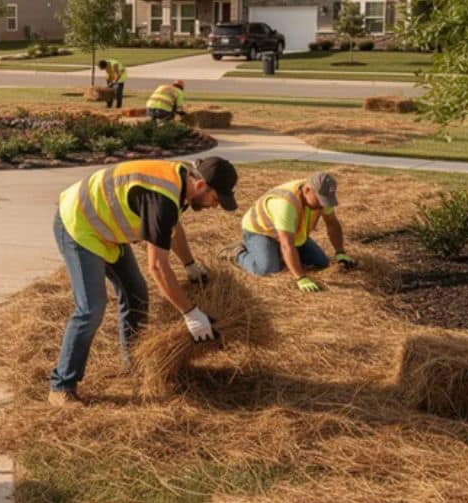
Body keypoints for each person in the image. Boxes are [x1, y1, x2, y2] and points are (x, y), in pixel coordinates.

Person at [50, 156, 240, 407]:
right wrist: (190, 313)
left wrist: (189, 264)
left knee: (136, 294)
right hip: (79, 223)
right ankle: (62, 386)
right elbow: (158, 267)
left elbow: (173, 228)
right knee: (91, 308)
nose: (215, 206)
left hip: (106, 229)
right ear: (202, 185)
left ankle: (135, 365)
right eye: (216, 200)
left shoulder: (182, 181)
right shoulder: (162, 198)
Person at [225, 172, 357, 292]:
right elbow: (286, 244)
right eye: (320, 200)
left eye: (325, 201)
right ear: (307, 190)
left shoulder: (321, 197)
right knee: (268, 269)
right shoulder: (285, 204)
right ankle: (237, 252)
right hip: (260, 231)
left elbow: (332, 223)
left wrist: (340, 252)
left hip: (290, 232)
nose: (323, 205)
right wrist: (300, 277)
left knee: (321, 263)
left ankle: (275, 252)